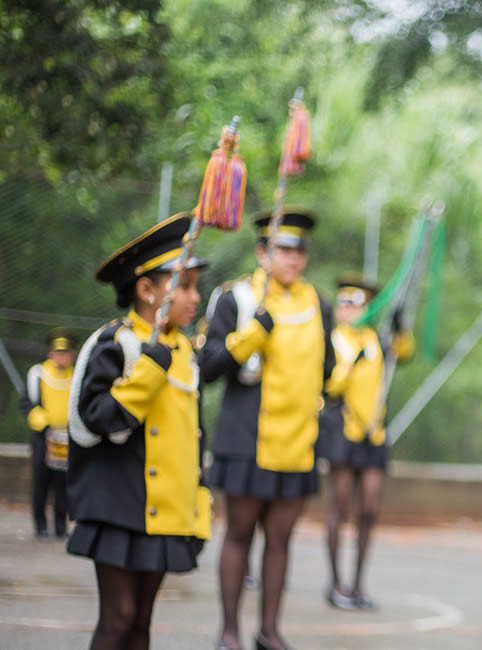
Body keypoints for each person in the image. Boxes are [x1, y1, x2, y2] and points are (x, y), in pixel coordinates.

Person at [66, 212, 211, 650]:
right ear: (147, 290)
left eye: (194, 286)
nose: (194, 297)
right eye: (183, 285)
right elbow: (96, 419)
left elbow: (192, 435)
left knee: (142, 622)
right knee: (118, 618)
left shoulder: (183, 347)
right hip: (119, 505)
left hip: (165, 511)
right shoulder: (119, 343)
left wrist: (197, 506)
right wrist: (148, 371)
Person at [202, 209, 334, 650]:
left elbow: (328, 370)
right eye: (284, 250)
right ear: (262, 252)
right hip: (246, 439)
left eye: (300, 251)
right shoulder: (236, 299)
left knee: (280, 541)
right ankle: (228, 631)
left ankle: (269, 631)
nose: (294, 260)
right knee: (239, 534)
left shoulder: (319, 304)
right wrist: (250, 337)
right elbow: (209, 366)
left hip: (298, 443)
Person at [319, 275, 415, 610]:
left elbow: (405, 352)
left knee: (370, 508)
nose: (351, 310)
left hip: (373, 434)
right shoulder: (333, 340)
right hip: (343, 431)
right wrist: (352, 364)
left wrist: (401, 328)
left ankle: (359, 583)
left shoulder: (376, 340)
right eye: (346, 304)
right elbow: (329, 387)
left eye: (358, 304)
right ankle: (335, 583)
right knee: (340, 506)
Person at [21, 327, 75, 539]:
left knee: (63, 483)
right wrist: (41, 421)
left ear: (72, 355)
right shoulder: (38, 373)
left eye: (66, 353)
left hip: (67, 437)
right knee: (41, 482)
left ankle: (61, 526)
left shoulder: (76, 374)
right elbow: (25, 402)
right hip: (43, 437)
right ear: (51, 354)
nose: (62, 358)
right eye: (58, 353)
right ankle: (41, 526)